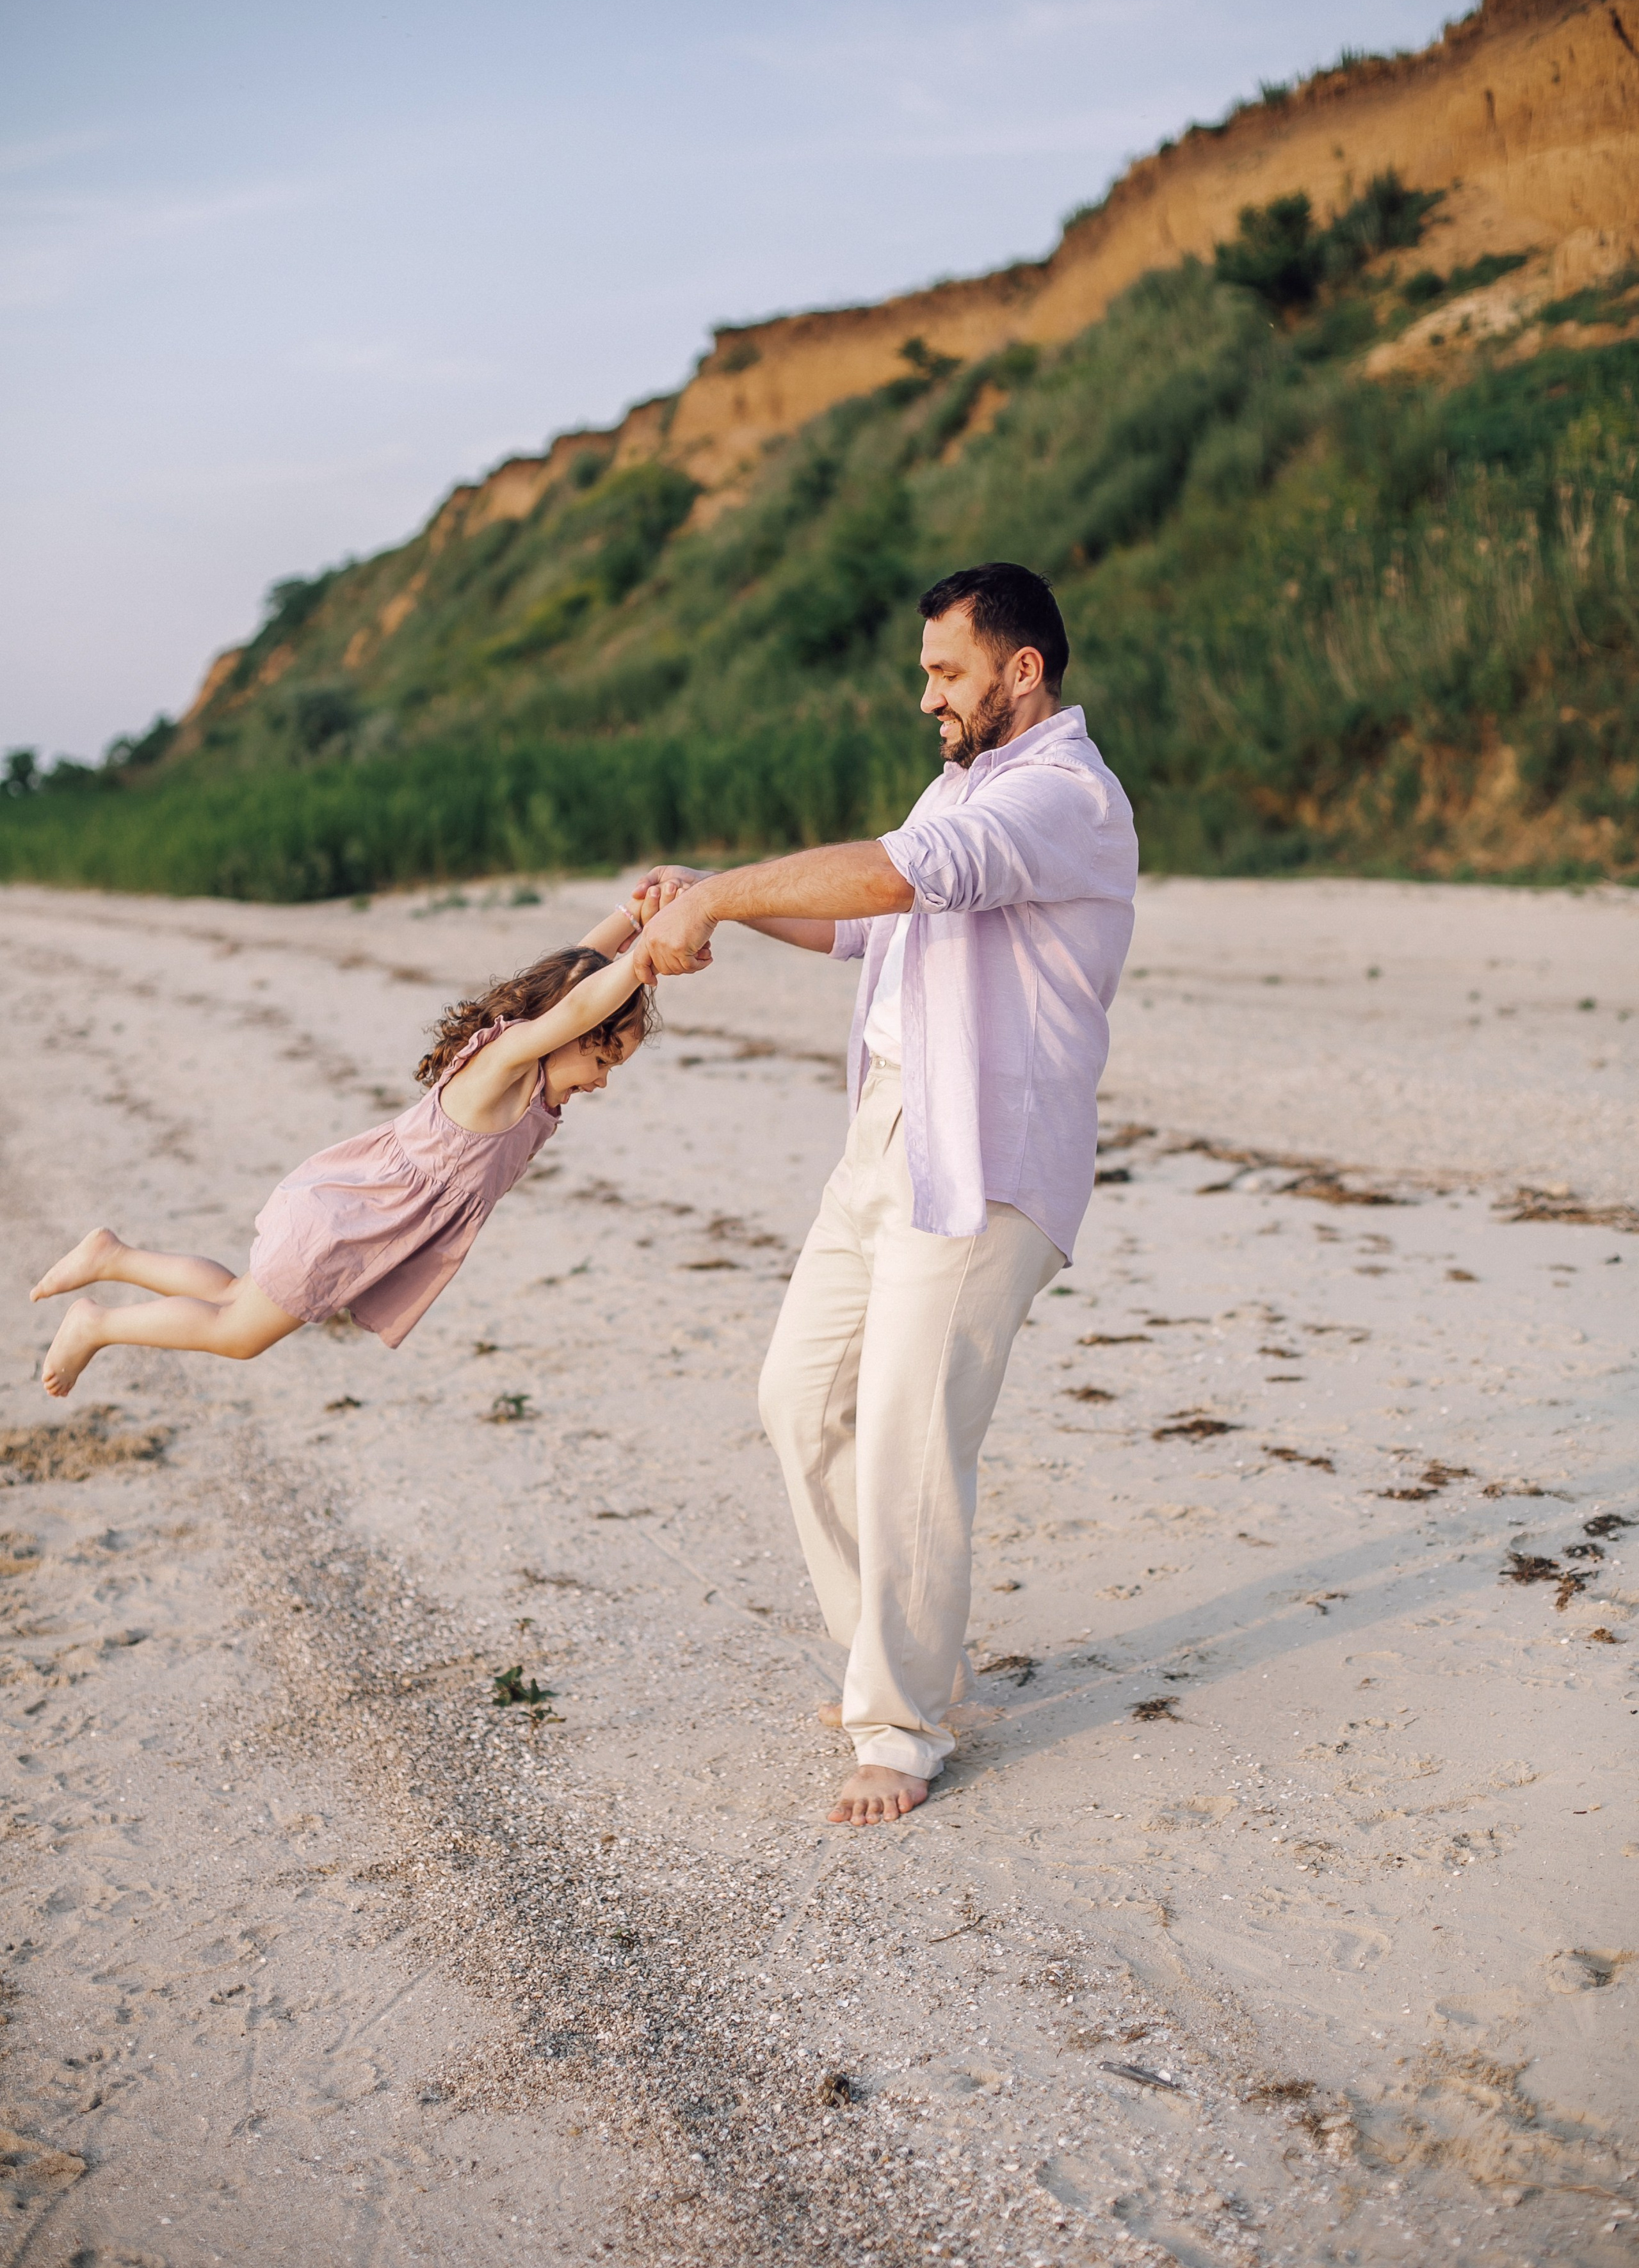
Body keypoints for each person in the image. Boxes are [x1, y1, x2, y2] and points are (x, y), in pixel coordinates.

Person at [633, 562, 1137, 1830]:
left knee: (910, 1433)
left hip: (984, 1155)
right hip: (885, 1140)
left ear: (1019, 671)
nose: (925, 695)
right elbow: (862, 921)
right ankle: (893, 1656)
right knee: (795, 1398)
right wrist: (719, 893)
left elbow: (911, 875)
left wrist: (719, 898)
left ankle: (901, 1724)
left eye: (944, 671)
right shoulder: (959, 784)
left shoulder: (1063, 796)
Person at [31, 891, 672, 1398]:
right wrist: (641, 960)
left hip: (353, 1214)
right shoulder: (505, 1067)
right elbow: (572, 1001)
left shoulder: (533, 1078)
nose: (603, 1077)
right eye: (603, 1054)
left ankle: (112, 1256)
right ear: (571, 1028)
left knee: (233, 1296)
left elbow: (571, 974)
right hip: (349, 1225)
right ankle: (98, 1325)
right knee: (236, 1333)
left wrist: (631, 919)